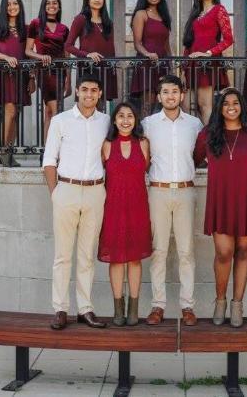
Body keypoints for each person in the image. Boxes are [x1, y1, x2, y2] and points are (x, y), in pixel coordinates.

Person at [193, 87, 247, 328]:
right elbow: (194, 159)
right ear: (219, 108)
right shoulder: (208, 134)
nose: (231, 107)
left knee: (243, 251)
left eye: (235, 103)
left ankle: (237, 304)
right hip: (221, 199)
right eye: (226, 103)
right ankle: (220, 300)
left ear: (242, 106)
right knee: (224, 252)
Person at [43, 74, 111, 330]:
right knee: (62, 256)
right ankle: (60, 308)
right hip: (67, 190)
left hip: (95, 191)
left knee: (87, 255)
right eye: (85, 89)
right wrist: (55, 193)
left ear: (100, 93)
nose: (89, 94)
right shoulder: (61, 121)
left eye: (94, 90)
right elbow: (49, 160)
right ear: (77, 91)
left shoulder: (106, 122)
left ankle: (85, 308)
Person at [142, 75, 203, 327]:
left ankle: (187, 306)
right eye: (165, 92)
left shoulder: (194, 124)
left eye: (174, 91)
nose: (170, 96)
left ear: (182, 95)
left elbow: (198, 155)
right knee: (158, 250)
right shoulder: (148, 124)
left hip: (186, 191)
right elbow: (143, 157)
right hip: (158, 191)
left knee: (186, 251)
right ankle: (158, 305)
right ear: (159, 96)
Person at [98, 102, 152, 327]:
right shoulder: (107, 145)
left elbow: (145, 169)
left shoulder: (144, 143)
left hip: (138, 207)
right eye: (121, 116)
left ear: (136, 120)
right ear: (114, 120)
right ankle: (118, 308)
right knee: (117, 259)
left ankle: (134, 309)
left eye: (130, 116)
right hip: (113, 208)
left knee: (135, 259)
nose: (126, 120)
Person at [0, 0, 33, 167]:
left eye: (15, 3)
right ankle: (5, 151)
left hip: (21, 75)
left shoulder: (26, 29)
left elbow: (29, 54)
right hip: (4, 73)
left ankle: (7, 152)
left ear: (20, 6)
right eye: (9, 4)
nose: (12, 7)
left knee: (15, 114)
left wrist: (32, 77)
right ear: (4, 8)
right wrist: (6, 58)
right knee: (10, 111)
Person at [182, 0, 234, 125]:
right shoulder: (195, 13)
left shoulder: (219, 10)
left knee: (205, 105)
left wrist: (208, 53)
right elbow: (189, 43)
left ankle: (209, 138)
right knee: (185, 105)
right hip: (192, 64)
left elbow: (228, 39)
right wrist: (184, 69)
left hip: (208, 62)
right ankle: (199, 134)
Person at [27, 0, 71, 141]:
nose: (52, 5)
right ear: (44, 6)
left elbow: (67, 55)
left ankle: (47, 149)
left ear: (59, 7)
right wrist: (41, 57)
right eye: (48, 3)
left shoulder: (64, 28)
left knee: (49, 112)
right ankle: (55, 148)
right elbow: (28, 50)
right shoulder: (35, 24)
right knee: (56, 109)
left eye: (55, 3)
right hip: (44, 72)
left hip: (60, 72)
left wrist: (69, 80)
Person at [67, 0, 118, 107]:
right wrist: (87, 55)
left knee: (101, 107)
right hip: (88, 69)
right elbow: (68, 45)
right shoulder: (81, 19)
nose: (97, 0)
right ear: (87, 0)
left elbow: (111, 48)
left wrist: (112, 68)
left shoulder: (108, 22)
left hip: (106, 68)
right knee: (88, 105)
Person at [130, 0, 173, 116]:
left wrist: (171, 64)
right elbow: (137, 43)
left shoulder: (164, 17)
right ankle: (144, 129)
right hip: (146, 63)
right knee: (147, 104)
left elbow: (166, 45)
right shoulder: (141, 14)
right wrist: (147, 54)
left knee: (162, 102)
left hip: (162, 63)